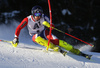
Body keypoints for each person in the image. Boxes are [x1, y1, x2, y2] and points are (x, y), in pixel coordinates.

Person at [12, 5, 92, 59]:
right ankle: (54, 47)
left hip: (44, 32)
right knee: (37, 37)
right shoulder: (27, 19)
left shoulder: (44, 17)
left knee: (57, 41)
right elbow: (19, 28)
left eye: (40, 13)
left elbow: (52, 26)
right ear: (33, 14)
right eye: (36, 14)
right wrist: (16, 38)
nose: (38, 16)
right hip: (34, 36)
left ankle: (75, 51)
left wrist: (49, 25)